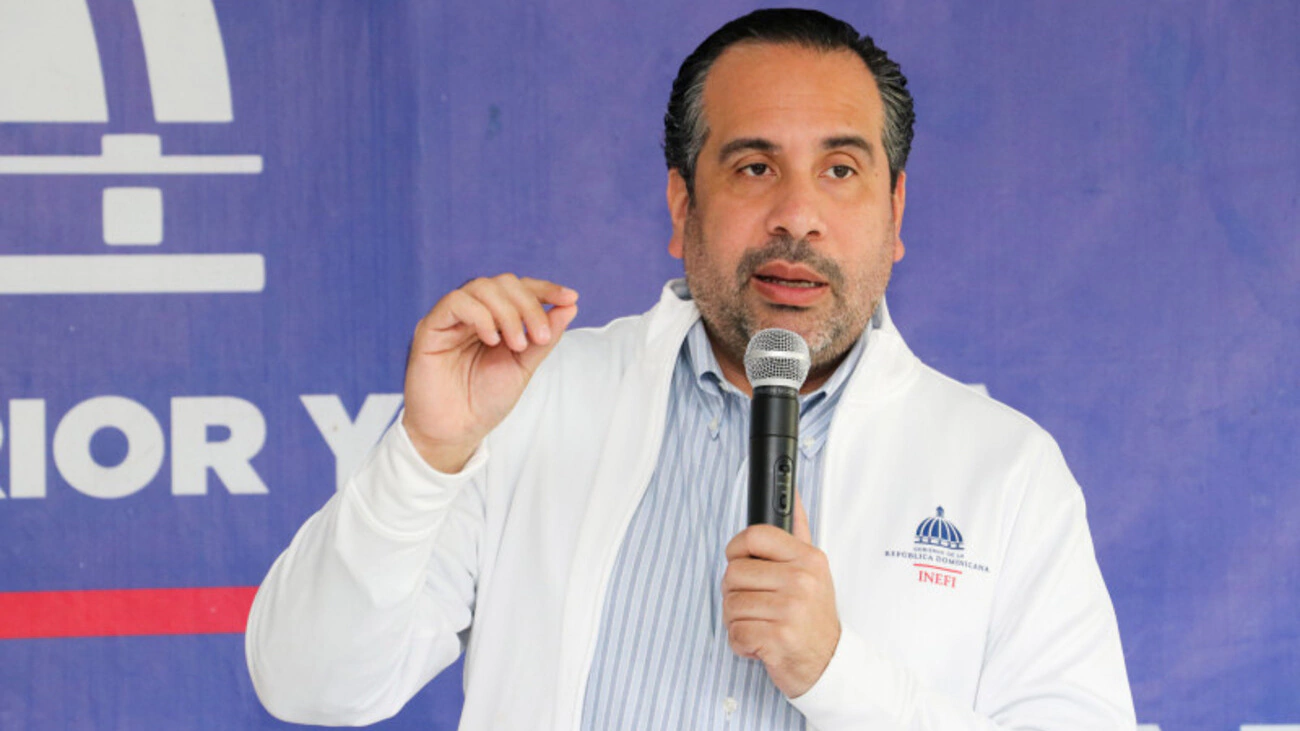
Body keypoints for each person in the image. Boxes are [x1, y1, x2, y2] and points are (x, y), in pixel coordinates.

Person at [246, 8, 1136, 730]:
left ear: (895, 213)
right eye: (754, 166)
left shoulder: (1004, 468)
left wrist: (835, 671)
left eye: (839, 169)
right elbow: (308, 682)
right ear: (682, 205)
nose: (798, 215)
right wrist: (426, 457)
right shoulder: (533, 397)